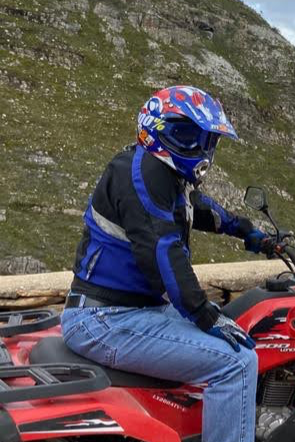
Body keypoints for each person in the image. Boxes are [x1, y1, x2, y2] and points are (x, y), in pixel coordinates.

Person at [62, 86, 269, 442]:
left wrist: (253, 234)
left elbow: (204, 210)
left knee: (237, 330)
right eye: (188, 136)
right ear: (157, 130)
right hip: (106, 318)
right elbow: (162, 251)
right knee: (237, 362)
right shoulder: (143, 173)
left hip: (130, 310)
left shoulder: (163, 175)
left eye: (206, 140)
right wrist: (205, 313)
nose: (200, 149)